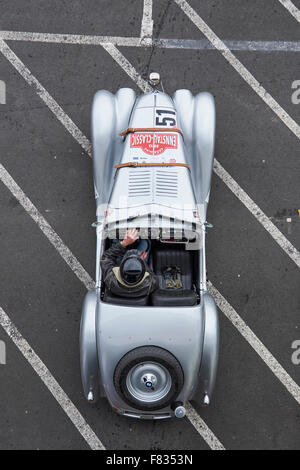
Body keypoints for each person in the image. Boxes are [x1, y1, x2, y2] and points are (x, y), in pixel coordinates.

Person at [101, 229, 157, 298]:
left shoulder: (111, 280)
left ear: (121, 267)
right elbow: (152, 274)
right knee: (146, 241)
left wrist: (124, 243)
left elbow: (106, 257)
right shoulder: (150, 284)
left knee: (116, 239)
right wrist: (142, 260)